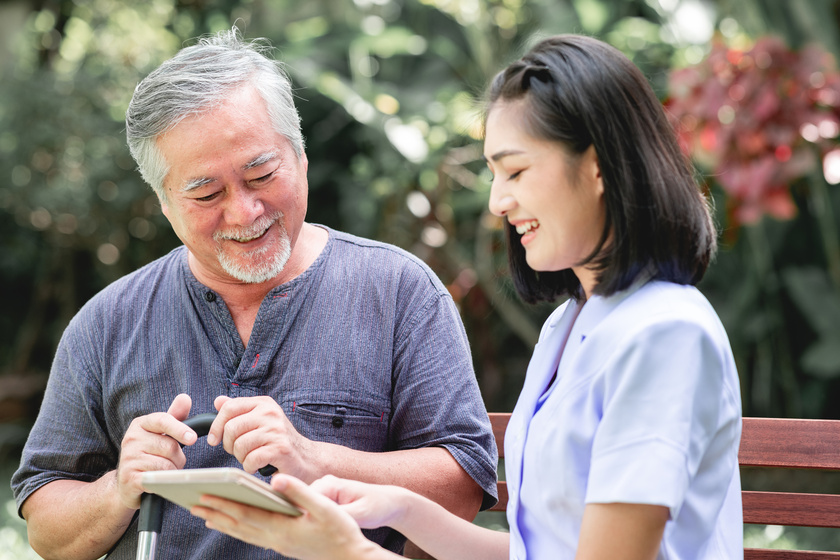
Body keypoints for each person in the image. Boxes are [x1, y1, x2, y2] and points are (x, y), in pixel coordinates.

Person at [188, 34, 744, 560]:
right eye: (493, 175)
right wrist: (402, 509)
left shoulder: (666, 335)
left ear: (597, 165)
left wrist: (350, 551)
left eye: (517, 171)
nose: (498, 202)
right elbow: (544, 550)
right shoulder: (571, 324)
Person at [11, 28, 499, 560]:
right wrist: (120, 487)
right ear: (165, 205)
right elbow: (46, 528)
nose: (245, 212)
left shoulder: (399, 292)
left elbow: (464, 487)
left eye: (261, 174)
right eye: (206, 193)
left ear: (301, 157)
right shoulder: (106, 324)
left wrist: (313, 459)